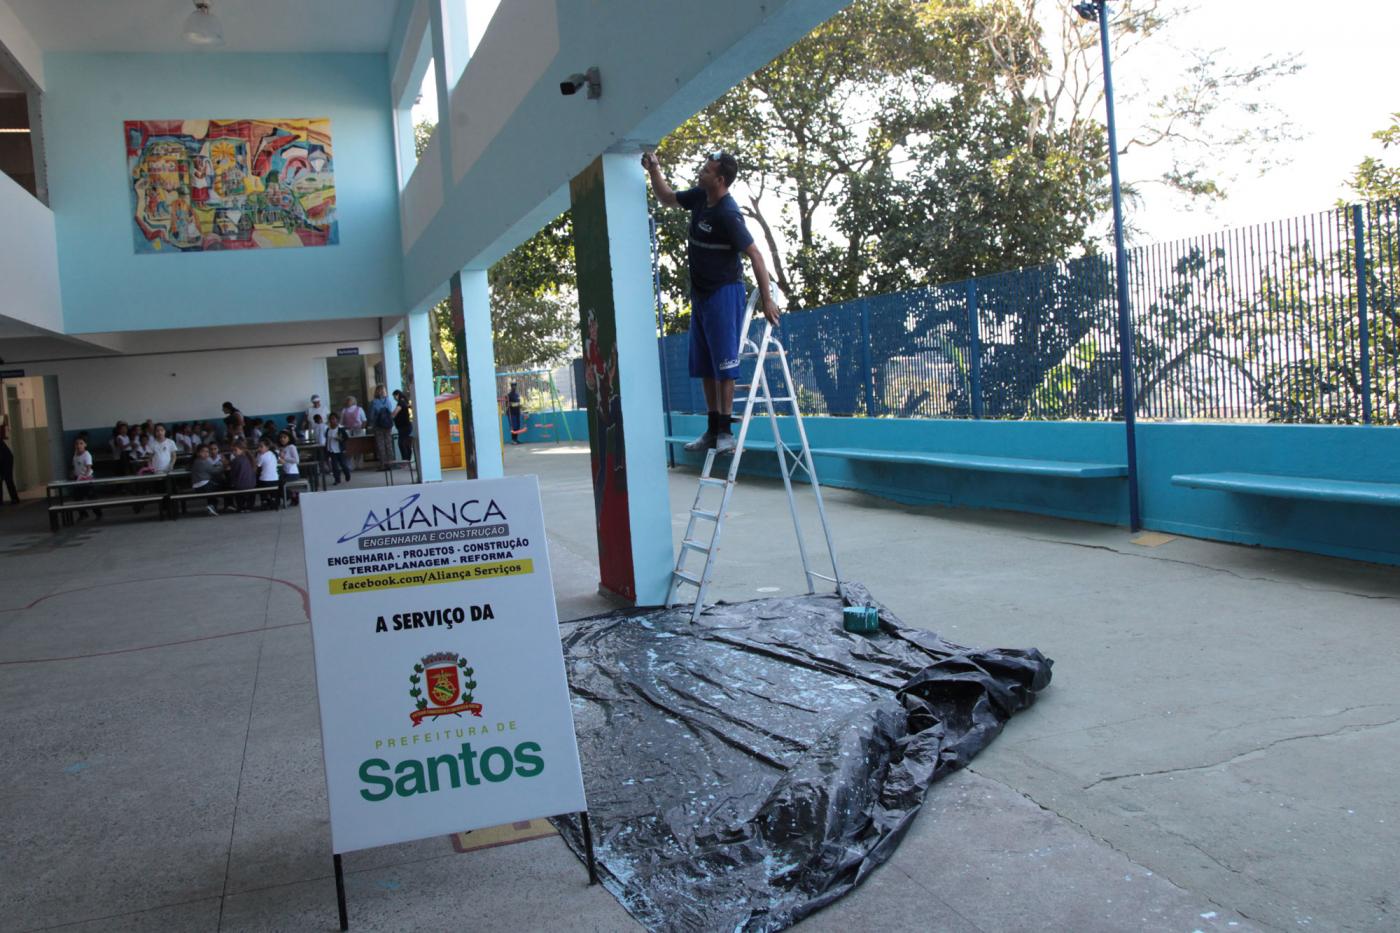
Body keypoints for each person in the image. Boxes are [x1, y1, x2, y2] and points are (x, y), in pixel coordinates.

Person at [642, 149, 779, 453]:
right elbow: (666, 197)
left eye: (706, 170)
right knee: (705, 365)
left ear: (719, 179)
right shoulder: (700, 198)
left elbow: (755, 254)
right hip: (701, 296)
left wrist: (767, 299)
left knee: (724, 364)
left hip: (724, 293)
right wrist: (654, 169)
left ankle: (726, 432)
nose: (700, 172)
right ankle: (712, 430)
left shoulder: (728, 214)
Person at [189, 443, 226, 516]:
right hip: (204, 485)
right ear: (198, 453)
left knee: (214, 489)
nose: (206, 454)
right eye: (203, 451)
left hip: (197, 487)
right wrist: (223, 465)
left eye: (207, 452)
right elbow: (215, 471)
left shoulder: (195, 461)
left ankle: (211, 507)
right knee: (223, 485)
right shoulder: (203, 461)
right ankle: (213, 505)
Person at [70, 436, 101, 520]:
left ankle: (98, 514)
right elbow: (74, 466)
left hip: (87, 479)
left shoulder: (87, 455)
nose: (78, 445)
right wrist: (73, 473)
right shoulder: (75, 454)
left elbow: (88, 467)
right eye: (76, 444)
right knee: (77, 497)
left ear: (85, 445)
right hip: (78, 479)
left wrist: (85, 477)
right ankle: (83, 513)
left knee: (92, 497)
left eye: (81, 443)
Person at [368, 385, 395, 469]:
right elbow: (390, 412)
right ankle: (391, 463)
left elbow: (371, 416)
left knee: (380, 445)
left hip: (378, 426)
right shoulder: (388, 401)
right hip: (388, 426)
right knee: (389, 444)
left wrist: (371, 424)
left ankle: (383, 464)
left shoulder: (374, 402)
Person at [227, 440, 256, 512]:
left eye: (235, 450)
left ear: (242, 450)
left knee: (231, 485)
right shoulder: (250, 458)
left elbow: (233, 474)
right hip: (252, 484)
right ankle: (249, 506)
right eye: (232, 450)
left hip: (240, 486)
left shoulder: (236, 460)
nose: (233, 452)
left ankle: (240, 506)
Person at [324, 413, 351, 485]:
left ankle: (347, 473)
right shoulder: (328, 429)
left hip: (339, 450)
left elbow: (346, 438)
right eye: (331, 419)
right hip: (332, 451)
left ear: (337, 420)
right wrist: (327, 449)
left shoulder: (340, 429)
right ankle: (337, 479)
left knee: (343, 464)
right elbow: (327, 440)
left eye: (334, 419)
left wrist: (340, 439)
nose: (332, 420)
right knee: (334, 466)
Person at [254, 438, 280, 509]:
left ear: (267, 447)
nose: (259, 448)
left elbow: (256, 466)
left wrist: (257, 454)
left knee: (260, 486)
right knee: (273, 493)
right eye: (258, 446)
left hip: (265, 480)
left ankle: (264, 502)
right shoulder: (274, 454)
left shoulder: (262, 456)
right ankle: (274, 502)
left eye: (261, 446)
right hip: (275, 479)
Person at [277, 430, 300, 504]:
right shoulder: (282, 448)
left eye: (285, 437)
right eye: (281, 437)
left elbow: (296, 460)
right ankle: (292, 495)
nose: (282, 439)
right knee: (276, 482)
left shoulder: (291, 447)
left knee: (281, 483)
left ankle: (292, 495)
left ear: (289, 438)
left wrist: (284, 458)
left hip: (292, 473)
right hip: (285, 472)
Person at [392, 390, 414, 461]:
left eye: (394, 396)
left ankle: (405, 460)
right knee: (406, 443)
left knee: (402, 443)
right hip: (406, 426)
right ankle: (407, 459)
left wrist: (390, 417)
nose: (394, 398)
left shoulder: (401, 402)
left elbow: (395, 412)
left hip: (404, 427)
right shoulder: (404, 401)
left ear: (397, 395)